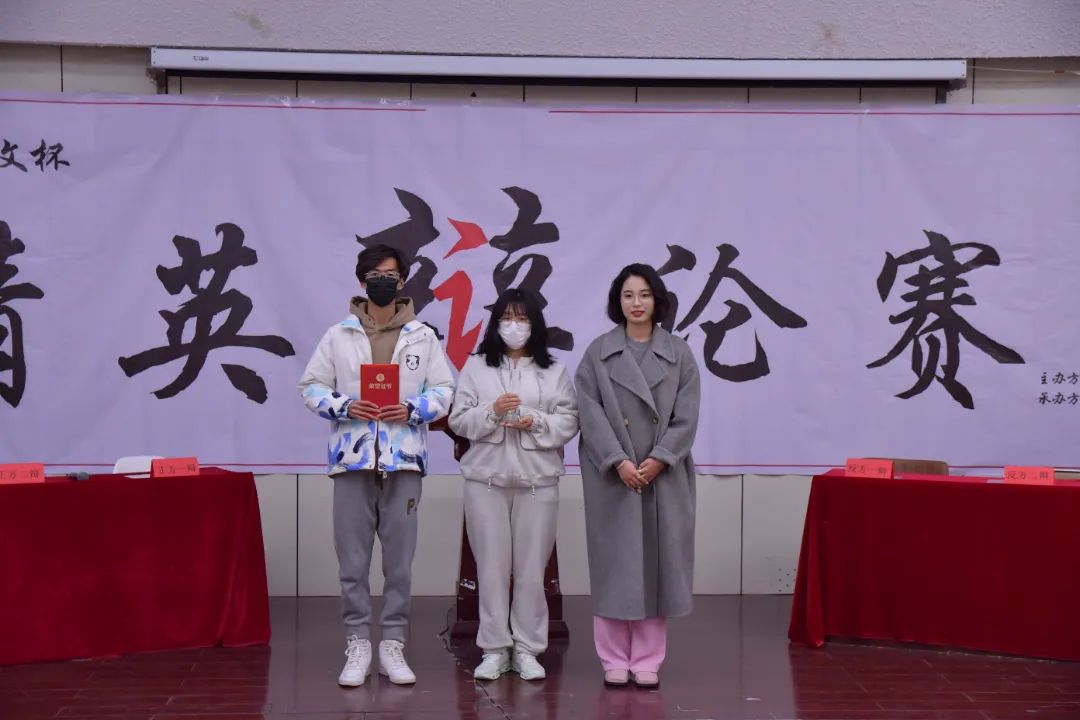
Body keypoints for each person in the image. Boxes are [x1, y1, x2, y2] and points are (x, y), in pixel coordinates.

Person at [298, 243, 455, 687]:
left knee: (399, 562)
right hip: (352, 461)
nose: (383, 282)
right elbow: (310, 386)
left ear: (402, 281)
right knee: (352, 561)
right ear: (362, 281)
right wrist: (345, 405)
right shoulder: (339, 335)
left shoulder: (422, 336)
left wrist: (413, 409)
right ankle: (357, 642)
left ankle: (392, 643)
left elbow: (445, 390)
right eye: (374, 276)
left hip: (404, 462)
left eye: (390, 275)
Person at [574, 263, 701, 688]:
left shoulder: (679, 353)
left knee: (657, 564)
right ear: (618, 301)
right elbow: (589, 412)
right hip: (613, 476)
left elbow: (687, 417)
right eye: (628, 295)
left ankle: (648, 658)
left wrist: (661, 457)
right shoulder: (598, 353)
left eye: (644, 294)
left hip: (663, 475)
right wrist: (618, 460)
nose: (636, 303)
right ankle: (612, 657)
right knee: (615, 564)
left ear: (657, 299)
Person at [449, 288, 579, 681]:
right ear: (496, 324)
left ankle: (527, 648)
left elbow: (569, 421)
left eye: (522, 318)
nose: (514, 326)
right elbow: (458, 419)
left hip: (538, 479)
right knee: (490, 567)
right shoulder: (476, 367)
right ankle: (494, 648)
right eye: (507, 318)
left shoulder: (553, 370)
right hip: (485, 479)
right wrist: (492, 412)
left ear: (535, 324)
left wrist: (535, 421)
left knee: (531, 569)